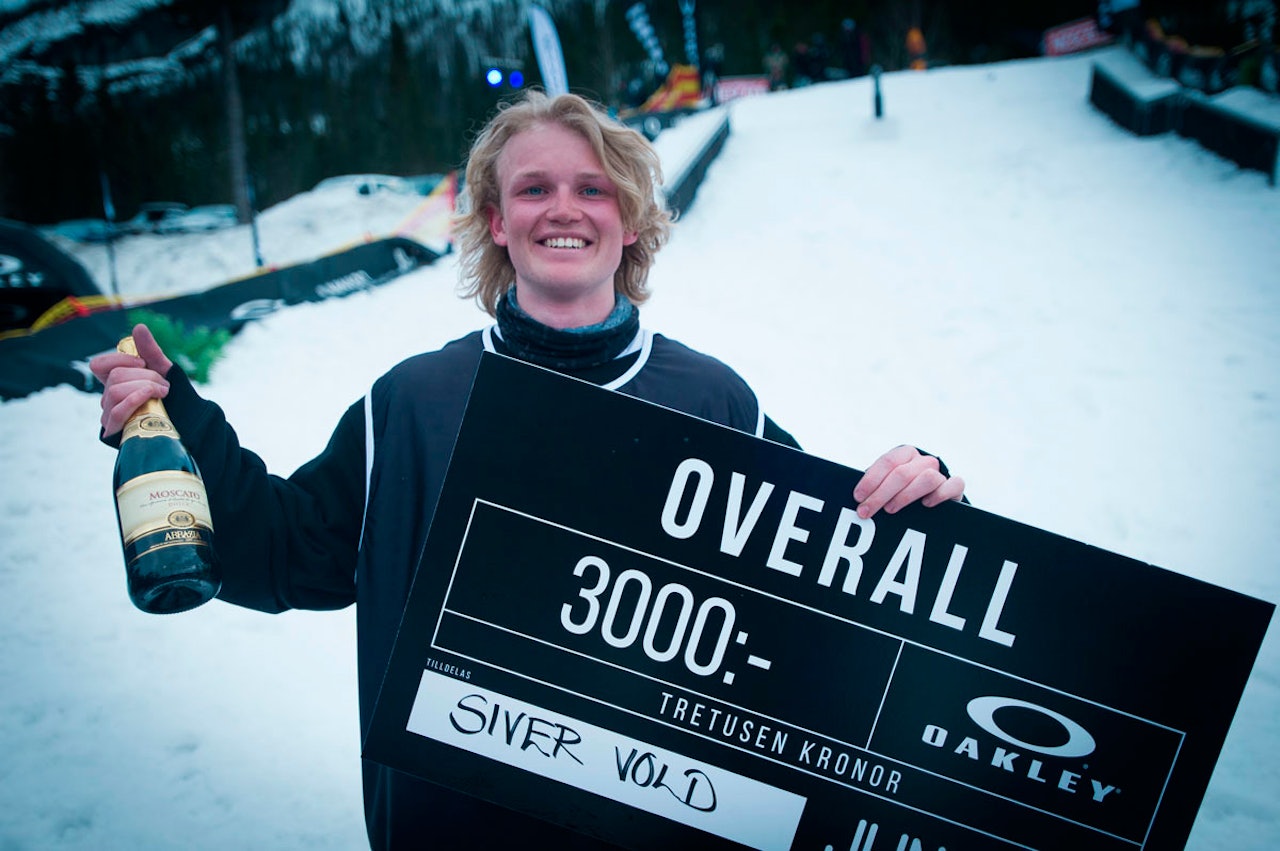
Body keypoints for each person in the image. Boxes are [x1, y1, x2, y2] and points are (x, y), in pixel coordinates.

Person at [91, 90, 966, 849]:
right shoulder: (413, 402)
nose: (565, 208)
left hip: (661, 825)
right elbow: (289, 552)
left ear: (628, 222)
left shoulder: (712, 398)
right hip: (453, 828)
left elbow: (826, 599)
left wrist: (917, 500)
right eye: (534, 188)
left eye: (593, 189)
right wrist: (179, 421)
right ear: (498, 221)